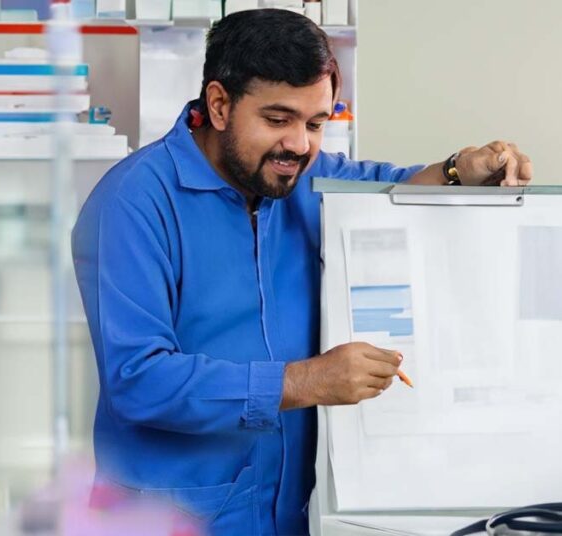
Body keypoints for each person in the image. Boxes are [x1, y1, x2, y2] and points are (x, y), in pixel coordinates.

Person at [72, 8, 532, 535]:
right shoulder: (132, 203)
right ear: (219, 104)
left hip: (288, 518)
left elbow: (392, 190)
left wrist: (459, 172)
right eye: (278, 120)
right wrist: (306, 381)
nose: (300, 144)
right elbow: (140, 380)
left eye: (316, 124)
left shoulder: (302, 177)